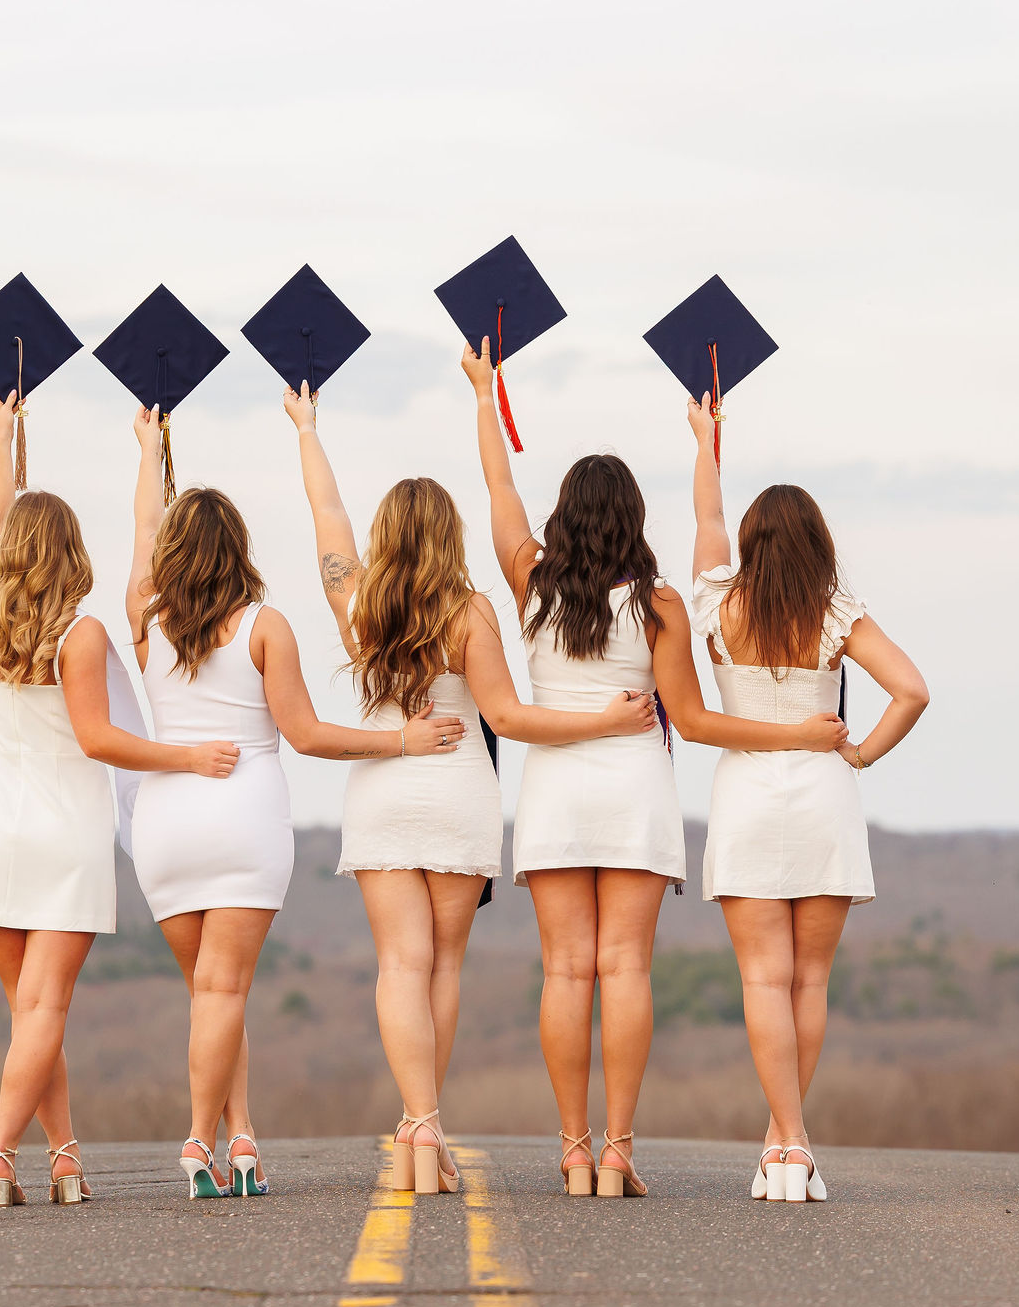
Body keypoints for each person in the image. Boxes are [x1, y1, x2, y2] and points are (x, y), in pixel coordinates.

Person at [462, 341, 848, 1198]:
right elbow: (697, 715)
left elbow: (497, 490)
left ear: (563, 519)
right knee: (625, 968)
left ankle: (572, 1146)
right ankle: (621, 1149)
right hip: (635, 783)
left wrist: (485, 396)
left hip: (556, 783)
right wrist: (707, 443)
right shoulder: (662, 603)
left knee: (566, 969)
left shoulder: (531, 581)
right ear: (634, 519)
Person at [282, 381, 657, 1195]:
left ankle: (420, 1121)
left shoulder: (357, 601)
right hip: (457, 794)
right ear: (448, 536)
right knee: (443, 968)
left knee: (397, 966)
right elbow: (510, 715)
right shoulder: (472, 611)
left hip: (381, 793)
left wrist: (307, 430)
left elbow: (328, 517)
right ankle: (429, 1124)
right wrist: (606, 721)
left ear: (385, 537)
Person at [123, 403, 466, 1199]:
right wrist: (400, 742)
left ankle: (241, 1140)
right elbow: (308, 735)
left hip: (166, 822)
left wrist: (149, 450)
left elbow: (142, 529)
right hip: (243, 819)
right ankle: (200, 1139)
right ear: (239, 549)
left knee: (209, 994)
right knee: (225, 992)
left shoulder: (146, 617)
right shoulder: (264, 625)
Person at [0, 391, 241, 1208]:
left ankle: (65, 1154)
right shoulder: (79, 636)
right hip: (64, 833)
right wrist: (186, 756)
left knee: (28, 1014)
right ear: (72, 550)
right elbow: (100, 740)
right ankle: (2, 1154)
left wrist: (3, 439)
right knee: (45, 1009)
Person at [686, 392, 929, 1203]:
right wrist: (857, 751)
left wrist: (706, 443)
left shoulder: (719, 606)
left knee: (762, 979)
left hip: (748, 798)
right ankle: (789, 1142)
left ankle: (783, 1140)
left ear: (753, 544)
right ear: (820, 543)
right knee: (809, 983)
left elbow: (708, 523)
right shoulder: (834, 612)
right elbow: (912, 690)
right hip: (825, 797)